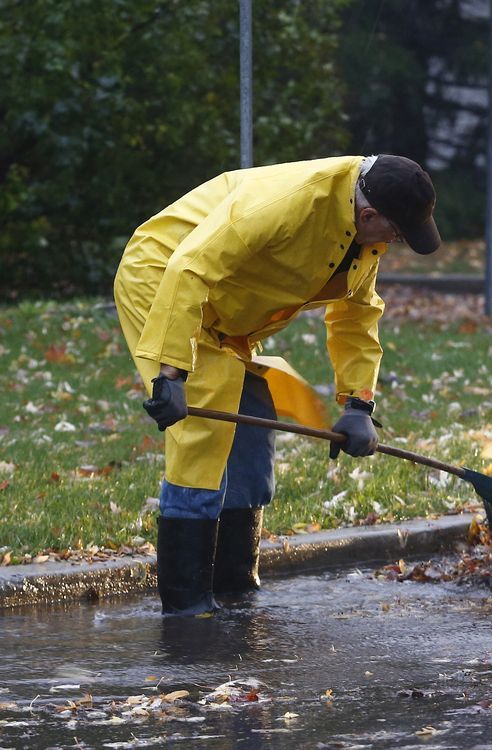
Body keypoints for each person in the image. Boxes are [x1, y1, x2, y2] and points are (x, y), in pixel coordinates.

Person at [113, 154, 441, 616]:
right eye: (396, 233)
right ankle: (187, 609)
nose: (396, 243)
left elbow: (355, 317)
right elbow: (189, 267)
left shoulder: (363, 234)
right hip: (164, 280)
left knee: (254, 419)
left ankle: (235, 588)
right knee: (204, 435)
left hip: (226, 309)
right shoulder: (290, 204)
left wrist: (357, 404)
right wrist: (170, 372)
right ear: (368, 216)